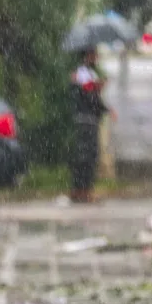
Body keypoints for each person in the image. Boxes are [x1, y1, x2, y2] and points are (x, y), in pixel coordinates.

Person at [69, 47, 112, 203]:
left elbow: (91, 94)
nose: (96, 57)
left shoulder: (88, 73)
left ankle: (83, 189)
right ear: (88, 55)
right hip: (85, 119)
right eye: (94, 54)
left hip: (90, 119)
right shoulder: (82, 73)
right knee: (86, 156)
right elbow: (88, 95)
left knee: (88, 155)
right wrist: (97, 87)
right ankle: (81, 190)